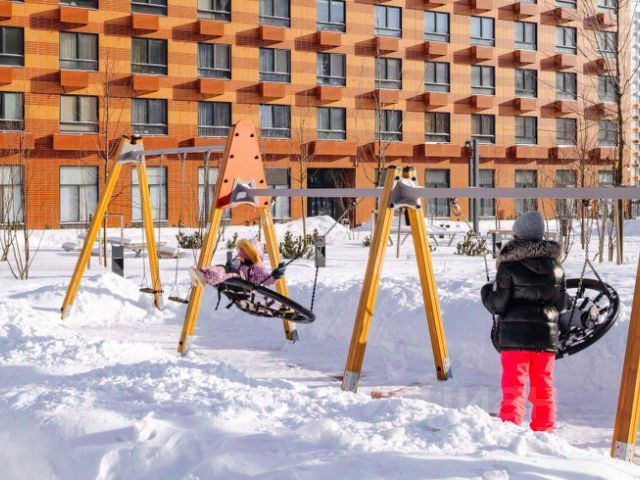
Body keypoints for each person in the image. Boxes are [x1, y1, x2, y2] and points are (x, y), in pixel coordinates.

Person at [481, 211, 566, 433]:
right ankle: (544, 430)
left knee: (513, 386)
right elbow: (561, 304)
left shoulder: (509, 266)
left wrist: (486, 292)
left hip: (514, 337)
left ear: (517, 236)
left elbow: (497, 305)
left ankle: (510, 430)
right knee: (543, 385)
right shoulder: (556, 268)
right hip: (545, 338)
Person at [188, 238, 286, 288]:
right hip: (234, 281)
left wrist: (275, 276)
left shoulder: (257, 268)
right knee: (222, 268)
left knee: (226, 271)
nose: (240, 254)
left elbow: (266, 279)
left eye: (245, 251)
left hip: (243, 283)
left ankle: (205, 276)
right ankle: (202, 274)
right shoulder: (240, 263)